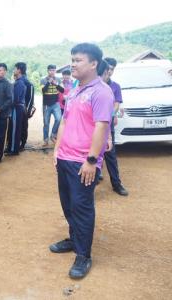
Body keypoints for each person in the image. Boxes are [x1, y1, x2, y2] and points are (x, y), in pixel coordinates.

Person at [50, 43, 114, 279]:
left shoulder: (101, 92)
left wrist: (91, 160)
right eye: (72, 59)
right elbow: (65, 121)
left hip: (82, 162)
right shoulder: (75, 90)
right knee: (68, 204)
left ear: (93, 63)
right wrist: (57, 150)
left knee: (82, 208)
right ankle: (74, 238)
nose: (73, 64)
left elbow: (101, 126)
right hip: (65, 158)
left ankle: (83, 254)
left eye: (77, 60)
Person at [102, 57, 129, 196]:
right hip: (91, 127)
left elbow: (116, 104)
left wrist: (110, 116)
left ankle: (116, 184)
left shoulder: (115, 86)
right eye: (108, 68)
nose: (110, 71)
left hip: (107, 127)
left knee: (110, 155)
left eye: (112, 69)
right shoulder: (92, 85)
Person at [6, 62, 27, 156]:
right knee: (14, 128)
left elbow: (15, 99)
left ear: (19, 70)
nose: (14, 70)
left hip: (17, 108)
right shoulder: (19, 81)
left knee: (15, 129)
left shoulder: (19, 82)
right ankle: (12, 148)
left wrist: (7, 105)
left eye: (15, 68)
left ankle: (14, 150)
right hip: (18, 107)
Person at [40, 65, 64, 146]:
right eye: (50, 70)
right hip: (46, 104)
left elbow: (62, 90)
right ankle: (45, 139)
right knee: (46, 123)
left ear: (55, 71)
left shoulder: (58, 79)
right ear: (48, 71)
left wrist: (55, 84)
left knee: (59, 119)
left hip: (56, 103)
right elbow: (43, 91)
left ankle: (53, 135)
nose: (52, 72)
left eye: (53, 70)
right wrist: (49, 82)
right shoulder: (43, 80)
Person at [20, 65, 35, 151]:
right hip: (22, 109)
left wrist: (27, 110)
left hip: (24, 109)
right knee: (22, 126)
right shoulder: (19, 82)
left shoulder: (28, 84)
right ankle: (22, 143)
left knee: (23, 126)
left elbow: (30, 99)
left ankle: (22, 143)